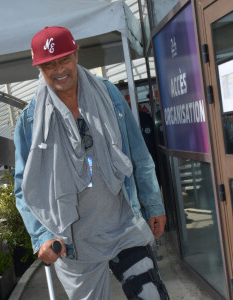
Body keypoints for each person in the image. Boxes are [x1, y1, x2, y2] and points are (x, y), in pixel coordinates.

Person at [14, 26, 169, 300]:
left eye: (64, 59)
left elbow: (138, 154)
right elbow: (24, 188)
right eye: (48, 64)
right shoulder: (29, 121)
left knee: (151, 295)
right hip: (74, 244)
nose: (58, 69)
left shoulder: (108, 94)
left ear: (76, 54)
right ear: (38, 68)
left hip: (123, 226)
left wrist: (153, 203)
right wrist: (41, 237)